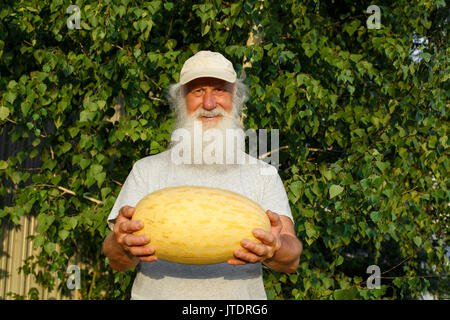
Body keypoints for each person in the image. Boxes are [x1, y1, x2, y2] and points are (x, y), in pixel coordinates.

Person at [102, 51, 303, 300]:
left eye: (219, 90)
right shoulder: (146, 171)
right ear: (181, 101)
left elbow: (291, 260)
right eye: (197, 91)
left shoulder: (264, 173)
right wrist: (119, 243)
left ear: (236, 98)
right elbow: (118, 262)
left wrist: (276, 248)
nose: (209, 104)